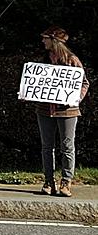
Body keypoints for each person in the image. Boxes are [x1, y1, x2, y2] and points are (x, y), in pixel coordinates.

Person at [35, 26, 89, 197]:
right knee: (46, 147)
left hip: (68, 111)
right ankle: (48, 181)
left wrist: (76, 98)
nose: (43, 41)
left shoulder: (72, 60)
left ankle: (66, 182)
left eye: (45, 38)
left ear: (54, 40)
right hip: (45, 109)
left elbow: (84, 83)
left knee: (67, 146)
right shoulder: (43, 60)